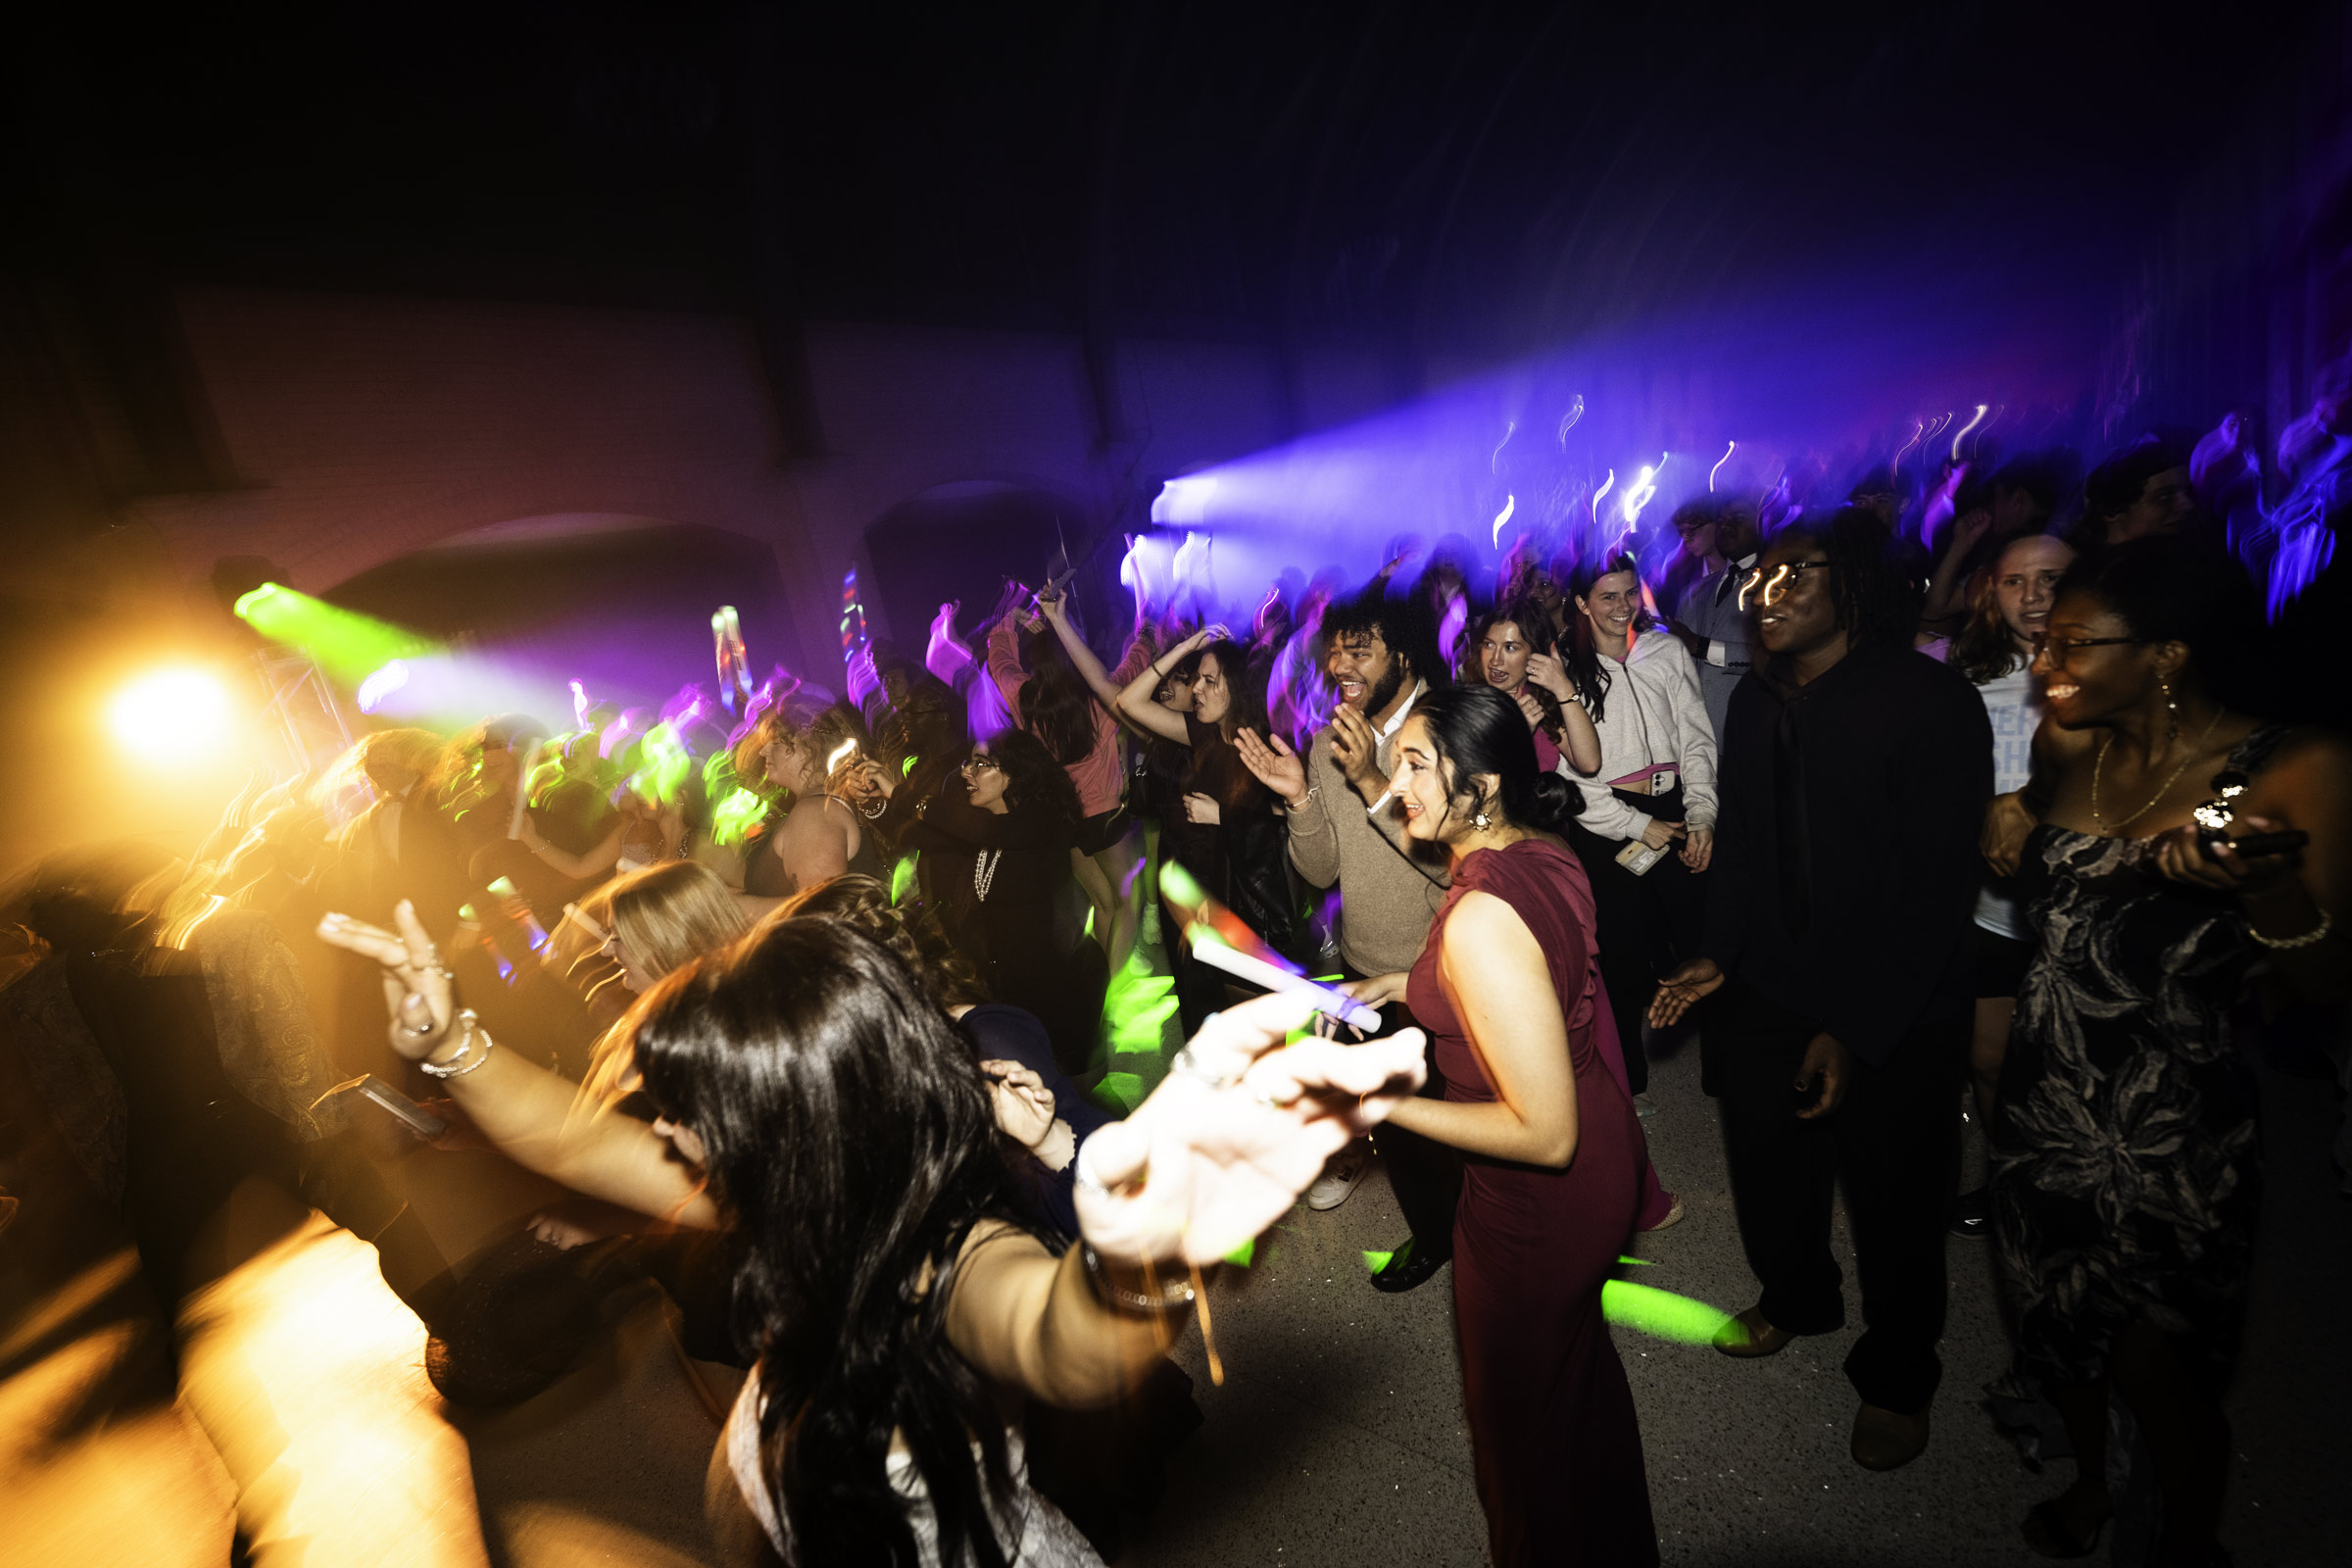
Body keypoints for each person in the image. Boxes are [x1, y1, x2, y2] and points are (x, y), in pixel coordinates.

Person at [319, 903, 1427, 1568]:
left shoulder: (945, 1251)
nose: (658, 1130)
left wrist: (1129, 1250)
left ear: (802, 1121)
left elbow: (1064, 1340)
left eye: (687, 1107)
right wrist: (449, 1041)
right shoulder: (778, 1189)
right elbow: (571, 1143)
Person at [1978, 537, 2348, 1563]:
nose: (2046, 667)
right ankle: (2093, 1481)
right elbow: (2037, 835)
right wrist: (2011, 808)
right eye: (2044, 642)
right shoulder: (2066, 738)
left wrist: (2262, 890)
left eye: (2072, 645)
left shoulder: (2288, 768)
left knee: (2166, 1370)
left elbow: (2329, 987)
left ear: (2169, 654)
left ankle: (2188, 1541)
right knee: (2060, 1334)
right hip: (2041, 1099)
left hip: (2171, 1129)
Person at [1649, 508, 1991, 1473]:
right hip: (1770, 980)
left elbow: (1935, 892)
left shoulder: (1928, 703)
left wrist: (1857, 1026)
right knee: (1767, 1164)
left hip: (1893, 1001)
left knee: (1894, 1197)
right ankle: (1797, 1297)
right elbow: (1750, 847)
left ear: (1854, 585)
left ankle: (1896, 1372)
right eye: (1764, 575)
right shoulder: (1758, 700)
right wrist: (1721, 949)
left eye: (1802, 573)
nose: (1771, 591)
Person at [1337, 684, 1657, 1566]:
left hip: (1538, 1201)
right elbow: (1524, 968)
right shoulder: (1538, 848)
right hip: (1599, 1153)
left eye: (1412, 764)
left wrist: (1379, 1102)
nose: (1396, 780)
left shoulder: (1481, 916)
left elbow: (1541, 1135)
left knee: (1515, 1437)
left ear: (1477, 788)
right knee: (1573, 1385)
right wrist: (1409, 984)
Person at [1232, 589, 1457, 1285]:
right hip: (1366, 969)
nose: (1339, 662)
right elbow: (1321, 866)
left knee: (1474, 1121)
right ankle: (1435, 1236)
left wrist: (1371, 781)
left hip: (1450, 967)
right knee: (1398, 1122)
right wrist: (1301, 797)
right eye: (1335, 647)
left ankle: (1498, 1239)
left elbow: (1452, 864)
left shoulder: (1448, 731)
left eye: (1360, 647)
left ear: (1404, 654)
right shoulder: (1334, 737)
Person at [1930, 530, 2075, 1239]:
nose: (2034, 595)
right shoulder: (1970, 681)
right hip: (1989, 910)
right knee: (1988, 1060)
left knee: (2065, 1066)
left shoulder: (2109, 684)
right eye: (2017, 581)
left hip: (2072, 912)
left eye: (2051, 579)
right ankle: (2009, 1181)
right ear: (1994, 592)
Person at [1560, 550, 1717, 1106]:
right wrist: (1633, 824)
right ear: (1581, 603)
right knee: (1622, 957)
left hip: (1674, 804)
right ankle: (1628, 1077)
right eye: (1607, 596)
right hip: (1607, 821)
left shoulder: (1666, 650)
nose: (1624, 607)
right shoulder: (1564, 667)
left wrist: (1702, 814)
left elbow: (1697, 740)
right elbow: (1571, 780)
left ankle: (1724, 1067)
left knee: (1703, 939)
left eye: (1631, 592)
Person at [1113, 624, 1302, 1008]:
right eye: (1196, 678)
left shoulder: (1265, 749)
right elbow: (1128, 702)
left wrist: (1223, 816)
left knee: (1251, 1024)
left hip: (1248, 910)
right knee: (1207, 1017)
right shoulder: (1204, 735)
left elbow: (1290, 830)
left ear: (1236, 687)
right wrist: (1186, 647)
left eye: (1209, 680)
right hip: (1203, 898)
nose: (1196, 688)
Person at [904, 731, 1105, 1076]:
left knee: (1065, 1100)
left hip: (1056, 995)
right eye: (968, 762)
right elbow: (916, 834)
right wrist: (878, 801)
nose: (967, 771)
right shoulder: (989, 826)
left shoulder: (1040, 824)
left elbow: (964, 826)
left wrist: (909, 798)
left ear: (1012, 773)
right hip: (1009, 989)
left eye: (981, 764)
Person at [731, 704, 892, 903]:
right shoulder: (817, 807)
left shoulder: (815, 813)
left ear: (810, 748)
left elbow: (822, 909)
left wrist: (734, 908)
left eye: (775, 742)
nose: (763, 751)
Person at [1462, 599, 1600, 776]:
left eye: (1510, 647)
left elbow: (1589, 764)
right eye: (1488, 645)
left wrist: (1564, 688)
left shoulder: (1537, 701)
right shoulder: (1467, 706)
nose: (1495, 660)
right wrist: (1518, 734)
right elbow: (1477, 784)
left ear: (1535, 653)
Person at [1669, 493, 1764, 742]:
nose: (1726, 527)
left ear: (1760, 522)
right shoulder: (1695, 588)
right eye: (1722, 521)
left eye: (1737, 519)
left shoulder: (1773, 584)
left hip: (1748, 732)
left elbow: (1770, 655)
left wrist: (1701, 646)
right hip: (1694, 734)